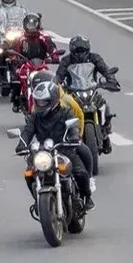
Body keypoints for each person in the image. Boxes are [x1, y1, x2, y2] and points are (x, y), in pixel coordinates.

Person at [18, 79, 94, 211]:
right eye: (38, 101)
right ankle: (38, 200)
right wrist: (22, 144)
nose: (40, 104)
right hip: (43, 152)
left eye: (44, 101)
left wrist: (74, 136)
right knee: (29, 174)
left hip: (64, 149)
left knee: (80, 172)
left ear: (53, 99)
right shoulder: (35, 116)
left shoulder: (65, 112)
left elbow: (73, 125)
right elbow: (28, 131)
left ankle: (87, 197)